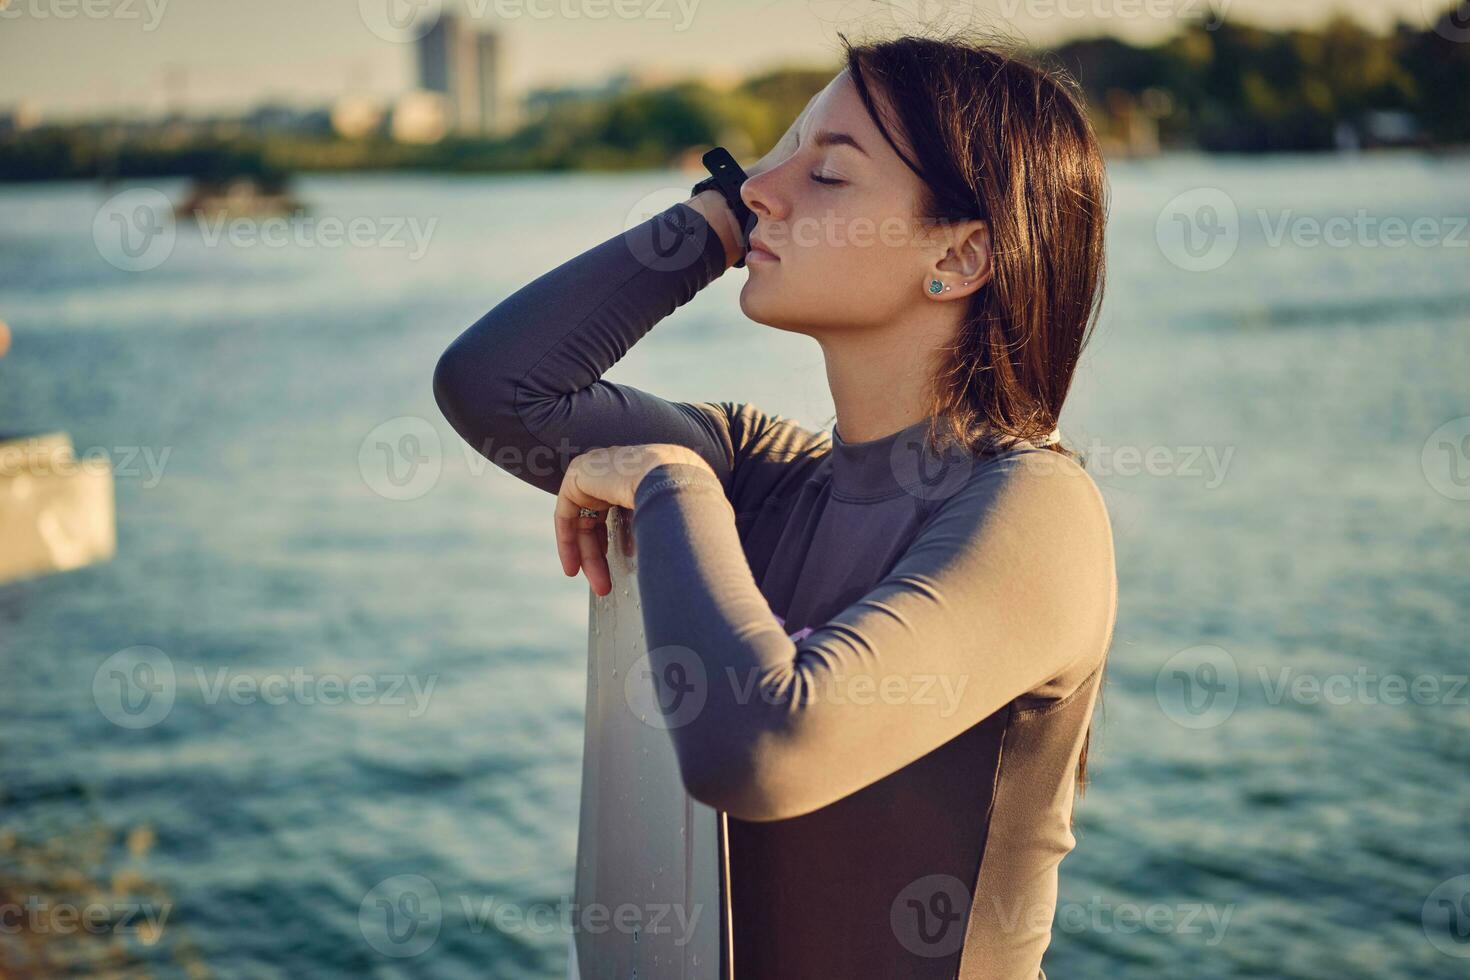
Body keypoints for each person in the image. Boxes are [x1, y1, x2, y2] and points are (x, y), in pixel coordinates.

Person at [435, 33, 1116, 980]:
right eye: (769, 158)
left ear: (960, 258)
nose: (762, 185)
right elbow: (495, 386)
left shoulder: (1038, 511)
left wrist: (672, 484)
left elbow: (763, 750)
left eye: (828, 174)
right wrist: (724, 215)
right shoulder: (761, 468)